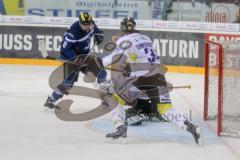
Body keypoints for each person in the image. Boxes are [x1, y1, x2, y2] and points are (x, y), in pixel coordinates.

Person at [101, 17, 203, 145]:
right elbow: (137, 56)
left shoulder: (124, 40)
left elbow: (114, 58)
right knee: (166, 109)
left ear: (122, 28)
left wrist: (97, 63)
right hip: (158, 76)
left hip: (141, 79)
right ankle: (191, 127)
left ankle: (121, 130)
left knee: (113, 98)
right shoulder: (146, 38)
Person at [44, 12, 105, 109]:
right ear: (79, 23)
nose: (87, 27)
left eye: (88, 24)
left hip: (85, 56)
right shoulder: (73, 33)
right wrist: (74, 58)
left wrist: (100, 36)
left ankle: (105, 99)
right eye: (84, 25)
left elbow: (97, 32)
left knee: (101, 72)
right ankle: (51, 100)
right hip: (71, 58)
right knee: (68, 84)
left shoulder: (91, 23)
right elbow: (64, 49)